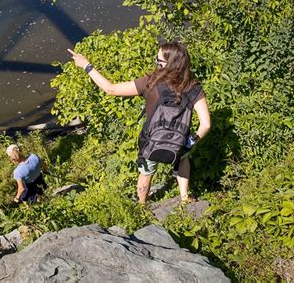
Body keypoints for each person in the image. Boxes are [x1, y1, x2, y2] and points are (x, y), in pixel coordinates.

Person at [67, 42, 210, 204]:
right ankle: (184, 197)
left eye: (159, 62)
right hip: (179, 143)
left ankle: (142, 205)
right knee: (184, 158)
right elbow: (206, 124)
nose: (156, 65)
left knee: (146, 172)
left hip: (151, 142)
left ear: (169, 65)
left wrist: (86, 65)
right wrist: (189, 142)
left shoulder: (150, 83)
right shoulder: (193, 87)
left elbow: (111, 89)